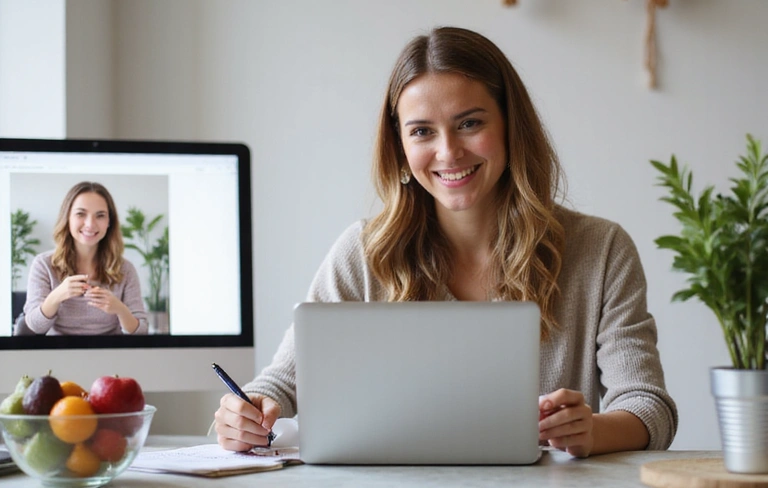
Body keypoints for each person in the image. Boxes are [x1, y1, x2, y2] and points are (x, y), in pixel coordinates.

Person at [214, 26, 678, 457]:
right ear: (399, 147)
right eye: (421, 132)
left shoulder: (601, 250)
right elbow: (283, 382)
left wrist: (591, 430)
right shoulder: (362, 252)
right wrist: (249, 412)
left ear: (511, 127)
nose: (449, 152)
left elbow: (648, 406)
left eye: (470, 123)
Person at [23, 181, 149, 335]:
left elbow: (141, 332)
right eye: (81, 214)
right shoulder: (44, 264)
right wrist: (56, 296)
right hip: (58, 355)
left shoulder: (125, 269)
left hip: (111, 355)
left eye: (100, 216)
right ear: (67, 217)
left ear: (109, 222)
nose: (90, 224)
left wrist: (120, 309)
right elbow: (35, 326)